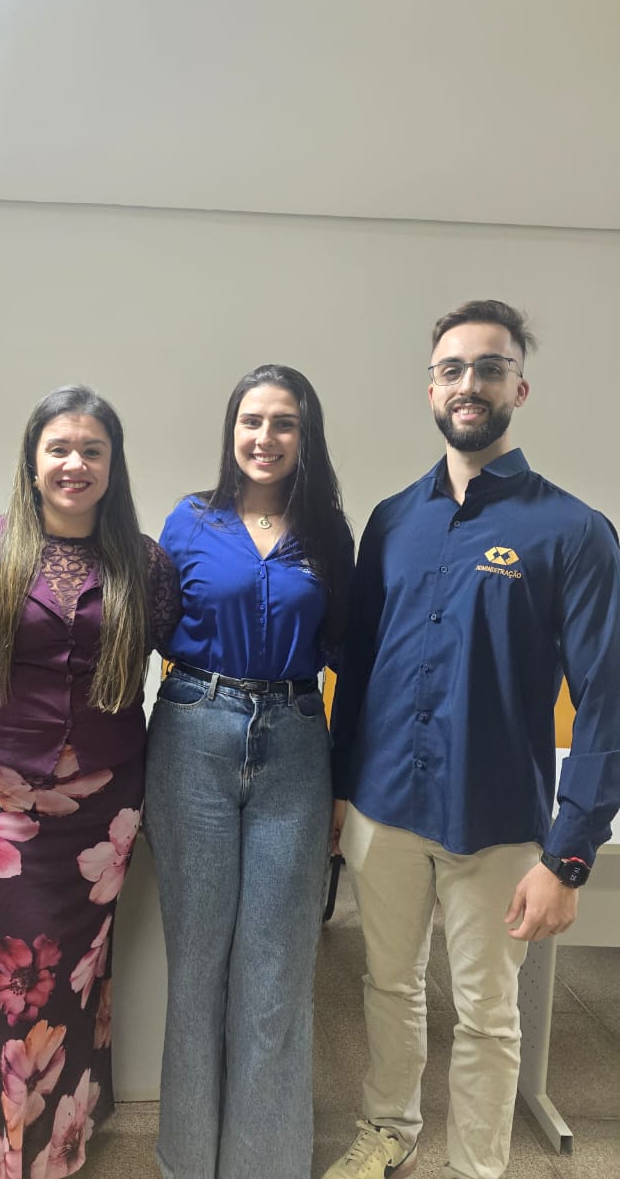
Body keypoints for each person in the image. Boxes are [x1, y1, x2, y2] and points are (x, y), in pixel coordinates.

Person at [323, 300, 620, 1179]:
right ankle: (389, 1128)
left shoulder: (573, 531)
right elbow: (360, 668)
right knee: (388, 985)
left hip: (497, 823)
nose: (469, 383)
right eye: (452, 369)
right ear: (431, 388)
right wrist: (340, 789)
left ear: (518, 389)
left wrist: (570, 856)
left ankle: (477, 1166)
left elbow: (606, 704)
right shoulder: (391, 520)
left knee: (489, 1015)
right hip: (383, 809)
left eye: (491, 368)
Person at [0, 384, 179, 1179]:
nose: (75, 463)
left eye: (92, 450)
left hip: (103, 805)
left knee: (78, 969)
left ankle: (63, 1139)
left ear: (113, 463)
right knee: (7, 973)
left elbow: (168, 649)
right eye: (59, 448)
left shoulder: (146, 563)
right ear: (33, 461)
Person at [143, 363, 354, 1179]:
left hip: (296, 744)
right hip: (193, 731)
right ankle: (189, 1162)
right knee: (197, 964)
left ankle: (264, 1164)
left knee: (276, 968)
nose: (265, 438)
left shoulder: (330, 535)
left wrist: (346, 784)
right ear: (232, 431)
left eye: (284, 423)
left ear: (307, 436)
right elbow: (141, 630)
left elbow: (350, 660)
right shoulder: (189, 521)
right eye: (251, 421)